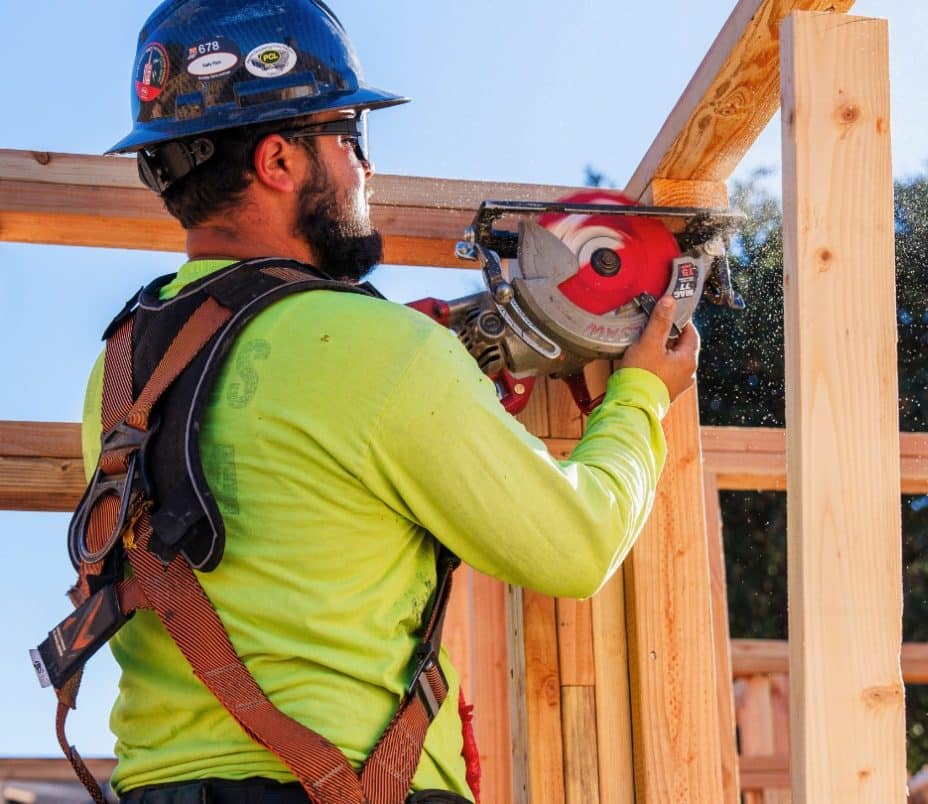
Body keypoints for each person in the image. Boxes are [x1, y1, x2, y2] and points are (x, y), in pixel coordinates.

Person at [79, 1, 699, 801]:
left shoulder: (121, 364)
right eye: (350, 137)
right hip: (334, 782)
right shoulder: (375, 350)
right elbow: (576, 546)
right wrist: (644, 392)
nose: (365, 167)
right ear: (278, 159)